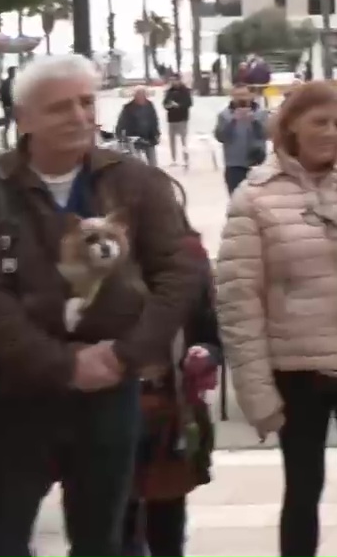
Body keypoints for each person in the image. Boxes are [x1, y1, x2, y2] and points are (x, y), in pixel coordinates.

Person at [0, 54, 207, 557]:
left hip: (111, 391)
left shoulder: (135, 180)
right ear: (24, 118)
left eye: (86, 102)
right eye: (61, 107)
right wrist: (63, 365)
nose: (80, 117)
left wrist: (125, 356)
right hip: (12, 394)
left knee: (103, 540)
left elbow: (182, 269)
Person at [215, 82, 337, 557]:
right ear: (291, 128)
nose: (329, 133)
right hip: (298, 370)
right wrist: (256, 390)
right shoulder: (255, 197)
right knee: (302, 491)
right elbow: (239, 299)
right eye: (318, 122)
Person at [125, 224, 220, 557]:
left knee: (166, 521)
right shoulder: (96, 253)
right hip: (108, 406)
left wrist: (206, 352)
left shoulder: (190, 260)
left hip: (171, 406)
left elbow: (210, 329)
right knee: (114, 521)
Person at [215, 86, 269, 194]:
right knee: (236, 198)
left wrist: (254, 121)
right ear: (232, 97)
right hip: (234, 165)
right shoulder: (224, 115)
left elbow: (266, 134)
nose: (241, 98)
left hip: (257, 163)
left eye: (244, 95)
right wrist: (233, 121)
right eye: (237, 95)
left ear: (251, 96)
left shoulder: (262, 113)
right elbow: (221, 137)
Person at [114, 87, 162, 166]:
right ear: (135, 96)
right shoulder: (128, 108)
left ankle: (152, 174)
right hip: (135, 139)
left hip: (149, 137)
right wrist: (120, 135)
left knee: (153, 162)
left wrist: (157, 133)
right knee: (138, 162)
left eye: (143, 95)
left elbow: (154, 120)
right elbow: (122, 122)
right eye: (139, 95)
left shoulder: (149, 105)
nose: (141, 98)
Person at [162, 78, 193, 168]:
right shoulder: (169, 91)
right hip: (171, 119)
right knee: (172, 140)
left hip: (182, 119)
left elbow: (189, 103)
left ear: (179, 80)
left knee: (184, 140)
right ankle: (173, 159)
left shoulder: (185, 91)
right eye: (172, 80)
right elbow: (164, 103)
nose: (174, 82)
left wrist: (179, 105)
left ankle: (185, 159)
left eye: (175, 80)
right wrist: (168, 105)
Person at [0, 66, 16, 148]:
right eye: (14, 72)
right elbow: (3, 95)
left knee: (17, 124)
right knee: (8, 124)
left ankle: (16, 142)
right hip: (9, 106)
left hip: (14, 106)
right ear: (10, 72)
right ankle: (5, 141)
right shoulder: (6, 83)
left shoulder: (14, 82)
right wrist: (6, 105)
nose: (15, 73)